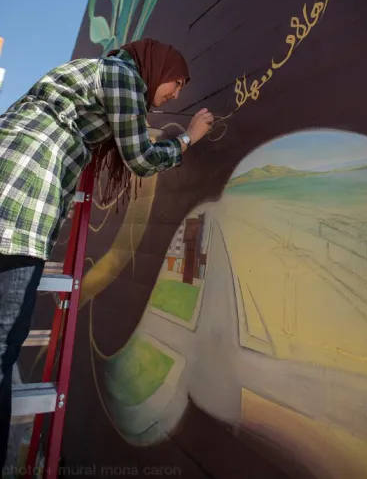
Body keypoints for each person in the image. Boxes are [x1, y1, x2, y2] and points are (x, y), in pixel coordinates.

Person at [0, 38, 213, 468]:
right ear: (156, 68)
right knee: (4, 341)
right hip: (20, 201)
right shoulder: (122, 76)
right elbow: (139, 156)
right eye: (175, 84)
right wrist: (189, 138)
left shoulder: (98, 74)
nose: (175, 95)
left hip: (12, 184)